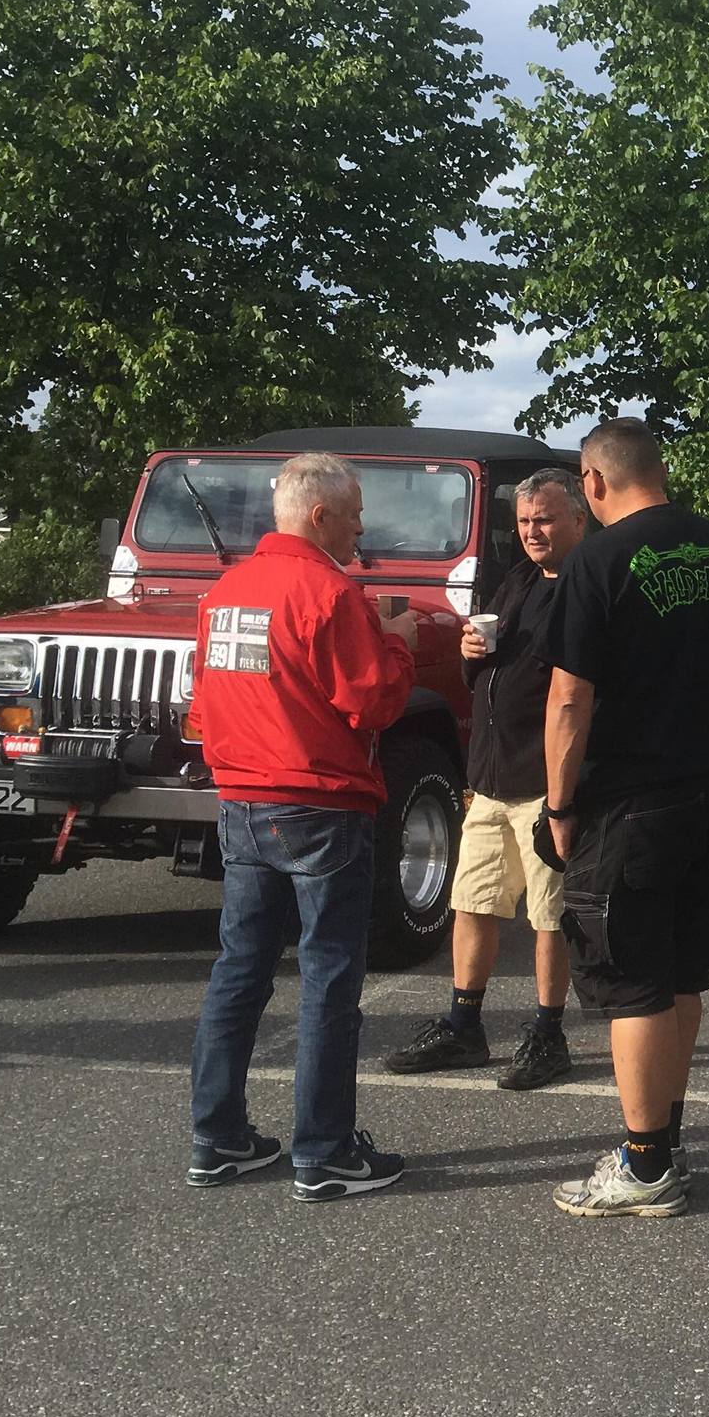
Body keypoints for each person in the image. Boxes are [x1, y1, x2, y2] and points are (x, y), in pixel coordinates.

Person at [541, 418, 709, 1219]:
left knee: (632, 978)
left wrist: (559, 804)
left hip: (633, 799)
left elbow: (569, 697)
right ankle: (665, 1140)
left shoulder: (597, 558)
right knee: (681, 970)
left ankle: (644, 1167)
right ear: (659, 469)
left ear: (593, 481)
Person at [184, 452, 420, 1202]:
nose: (360, 529)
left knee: (239, 970)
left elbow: (204, 703)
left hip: (241, 801)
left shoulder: (225, 592)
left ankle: (218, 1138)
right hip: (320, 802)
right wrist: (399, 641)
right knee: (328, 978)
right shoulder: (331, 593)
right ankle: (324, 1152)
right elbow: (375, 702)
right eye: (354, 515)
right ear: (320, 516)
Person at [382, 468, 590, 1089]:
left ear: (579, 519)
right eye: (523, 521)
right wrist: (473, 654)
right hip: (492, 777)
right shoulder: (519, 579)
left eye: (544, 519)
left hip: (548, 783)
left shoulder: (589, 586)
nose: (532, 531)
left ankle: (549, 1034)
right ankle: (463, 1025)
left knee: (549, 915)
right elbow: (494, 668)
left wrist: (567, 796)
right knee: (471, 901)